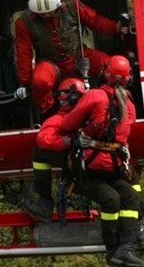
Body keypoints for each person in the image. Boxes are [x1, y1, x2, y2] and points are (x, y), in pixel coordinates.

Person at [60, 55, 144, 267]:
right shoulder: (129, 104)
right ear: (128, 79)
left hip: (94, 168)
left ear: (105, 73)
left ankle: (125, 248)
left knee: (128, 198)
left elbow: (68, 124)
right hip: (97, 171)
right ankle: (115, 249)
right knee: (115, 199)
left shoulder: (95, 96)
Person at [14, 0, 127, 120]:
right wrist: (26, 83)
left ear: (59, 5)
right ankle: (49, 114)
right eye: (42, 14)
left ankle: (115, 104)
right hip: (51, 63)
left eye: (50, 11)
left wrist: (115, 28)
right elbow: (24, 52)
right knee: (40, 82)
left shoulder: (73, 6)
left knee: (108, 64)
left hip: (78, 56)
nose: (47, 15)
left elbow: (94, 21)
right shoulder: (24, 22)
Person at [23, 77, 88, 222]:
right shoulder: (99, 110)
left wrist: (68, 142)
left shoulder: (60, 119)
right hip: (105, 160)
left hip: (84, 163)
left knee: (38, 153)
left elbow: (44, 140)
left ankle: (45, 203)